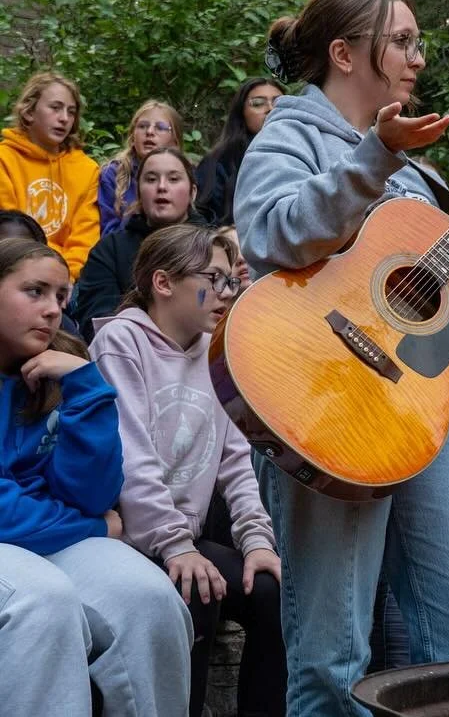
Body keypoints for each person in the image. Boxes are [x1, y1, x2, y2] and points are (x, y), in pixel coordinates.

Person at [233, 0, 449, 714]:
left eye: (417, 41)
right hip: (325, 403)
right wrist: (373, 156)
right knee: (332, 657)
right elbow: (272, 235)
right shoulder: (290, 135)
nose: (417, 58)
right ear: (344, 53)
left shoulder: (417, 170)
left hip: (426, 411)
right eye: (401, 41)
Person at [90, 225, 285, 717]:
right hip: (127, 540)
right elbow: (131, 457)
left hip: (183, 538)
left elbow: (236, 461)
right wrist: (176, 546)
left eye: (229, 281)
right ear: (163, 283)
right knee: (197, 592)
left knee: (270, 593)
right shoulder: (120, 343)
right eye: (212, 279)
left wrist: (257, 540)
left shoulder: (216, 351)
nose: (225, 293)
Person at [0, 237, 192, 716]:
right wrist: (94, 528)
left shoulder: (53, 369)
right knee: (42, 602)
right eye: (34, 292)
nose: (52, 310)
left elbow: (90, 493)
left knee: (147, 597)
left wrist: (85, 385)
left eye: (61, 296)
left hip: (48, 535)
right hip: (25, 542)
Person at [72, 147, 205, 341]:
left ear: (192, 191)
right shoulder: (110, 250)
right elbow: (97, 321)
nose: (161, 186)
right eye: (151, 179)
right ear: (138, 191)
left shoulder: (215, 249)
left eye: (173, 179)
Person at [0, 72, 100, 280]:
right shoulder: (4, 159)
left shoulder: (86, 169)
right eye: (55, 108)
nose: (64, 118)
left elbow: (85, 240)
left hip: (67, 278)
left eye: (71, 112)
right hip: (11, 270)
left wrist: (65, 277)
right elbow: (9, 231)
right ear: (29, 112)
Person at [196, 78, 284, 227]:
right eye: (258, 103)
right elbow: (203, 215)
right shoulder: (218, 161)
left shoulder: (308, 153)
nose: (270, 108)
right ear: (241, 113)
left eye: (279, 102)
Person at [98, 100, 184, 236]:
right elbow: (106, 233)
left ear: (175, 141)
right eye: (142, 126)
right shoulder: (112, 173)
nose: (149, 132)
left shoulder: (186, 177)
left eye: (160, 127)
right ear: (133, 136)